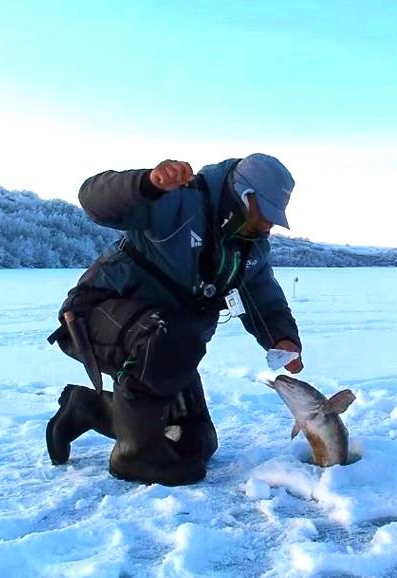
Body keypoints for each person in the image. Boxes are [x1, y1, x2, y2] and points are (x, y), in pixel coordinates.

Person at [45, 154, 304, 486]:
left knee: (195, 442)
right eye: (263, 213)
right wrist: (147, 183)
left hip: (165, 343)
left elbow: (263, 295)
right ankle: (134, 456)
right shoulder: (177, 201)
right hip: (95, 315)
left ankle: (87, 408)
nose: (267, 224)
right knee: (173, 331)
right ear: (244, 195)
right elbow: (93, 200)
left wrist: (282, 338)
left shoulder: (248, 247)